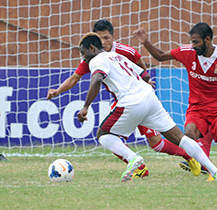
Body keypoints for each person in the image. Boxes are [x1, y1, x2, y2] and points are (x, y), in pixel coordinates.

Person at [47, 19, 201, 178]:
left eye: (107, 38)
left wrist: (145, 80)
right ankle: (138, 167)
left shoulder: (124, 51)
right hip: (121, 102)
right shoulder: (92, 57)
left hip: (140, 98)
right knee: (108, 136)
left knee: (157, 144)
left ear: (113, 37)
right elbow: (74, 78)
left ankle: (189, 156)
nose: (104, 42)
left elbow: (139, 61)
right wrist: (57, 91)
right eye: (100, 39)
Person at [77, 32, 217, 182]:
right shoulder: (117, 56)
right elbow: (144, 75)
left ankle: (133, 159)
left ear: (92, 48)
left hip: (131, 102)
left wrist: (85, 107)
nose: (83, 57)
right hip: (150, 98)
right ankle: (214, 170)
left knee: (103, 134)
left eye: (83, 52)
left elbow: (97, 78)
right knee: (179, 138)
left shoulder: (96, 60)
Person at [133, 23, 217, 181]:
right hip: (197, 107)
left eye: (196, 42)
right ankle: (203, 164)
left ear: (207, 40)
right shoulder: (187, 52)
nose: (192, 46)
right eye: (191, 41)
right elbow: (160, 56)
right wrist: (145, 42)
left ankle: (205, 164)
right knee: (189, 134)